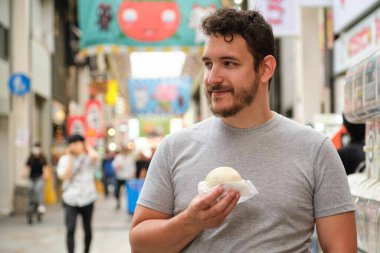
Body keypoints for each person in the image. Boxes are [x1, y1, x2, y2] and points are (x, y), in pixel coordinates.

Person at [129, 8, 357, 253]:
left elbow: (341, 248)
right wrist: (191, 221)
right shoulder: (174, 148)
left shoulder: (315, 150)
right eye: (208, 64)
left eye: (228, 63)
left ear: (266, 69)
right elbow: (140, 245)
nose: (212, 78)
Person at [57, 134, 99, 253]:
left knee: (87, 229)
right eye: (71, 143)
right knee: (70, 228)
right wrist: (70, 157)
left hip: (88, 197)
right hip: (71, 198)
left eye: (76, 143)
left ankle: (86, 250)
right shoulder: (64, 159)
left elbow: (95, 157)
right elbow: (64, 176)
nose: (73, 146)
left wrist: (87, 146)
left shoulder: (88, 157)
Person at [24, 142, 48, 215]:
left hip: (39, 177)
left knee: (38, 189)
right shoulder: (30, 158)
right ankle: (30, 204)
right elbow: (26, 167)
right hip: (31, 177)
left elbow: (45, 169)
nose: (36, 150)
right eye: (34, 148)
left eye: (37, 148)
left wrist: (45, 175)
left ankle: (40, 205)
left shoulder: (42, 159)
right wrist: (23, 174)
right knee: (29, 188)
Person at [112, 145, 136, 210]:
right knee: (116, 191)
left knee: (129, 192)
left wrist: (133, 175)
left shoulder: (130, 158)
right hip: (119, 176)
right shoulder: (118, 157)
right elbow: (113, 165)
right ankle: (118, 203)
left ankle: (129, 205)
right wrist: (117, 167)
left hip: (128, 177)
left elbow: (133, 167)